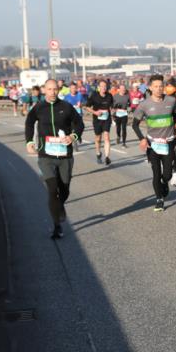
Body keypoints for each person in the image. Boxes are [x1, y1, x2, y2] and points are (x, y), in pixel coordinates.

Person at [25, 78, 83, 239]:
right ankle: (57, 225)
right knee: (52, 190)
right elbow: (29, 123)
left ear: (58, 90)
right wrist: (29, 141)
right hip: (46, 155)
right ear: (44, 90)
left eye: (55, 89)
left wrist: (73, 135)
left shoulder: (66, 107)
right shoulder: (39, 107)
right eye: (49, 89)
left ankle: (60, 205)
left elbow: (79, 124)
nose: (52, 92)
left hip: (65, 155)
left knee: (64, 189)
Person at [131, 74, 176, 211]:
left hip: (169, 142)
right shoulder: (144, 105)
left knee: (166, 174)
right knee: (156, 172)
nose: (159, 89)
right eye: (156, 86)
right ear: (150, 88)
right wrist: (142, 139)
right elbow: (135, 125)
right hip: (152, 144)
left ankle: (164, 182)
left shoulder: (171, 101)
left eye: (161, 86)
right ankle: (159, 199)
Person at [87, 79, 114, 165]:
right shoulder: (94, 95)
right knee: (98, 138)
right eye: (101, 86)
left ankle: (107, 157)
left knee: (106, 136)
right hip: (97, 119)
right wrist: (95, 112)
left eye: (105, 86)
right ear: (98, 87)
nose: (103, 88)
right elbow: (87, 107)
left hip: (107, 118)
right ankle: (98, 153)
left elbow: (111, 107)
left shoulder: (109, 96)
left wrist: (113, 113)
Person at [112, 83, 130, 147]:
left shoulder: (127, 96)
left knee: (124, 128)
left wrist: (128, 109)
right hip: (117, 114)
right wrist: (114, 109)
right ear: (118, 89)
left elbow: (130, 105)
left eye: (124, 89)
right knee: (118, 127)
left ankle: (124, 143)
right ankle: (118, 136)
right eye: (122, 89)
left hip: (124, 114)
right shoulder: (115, 96)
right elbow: (112, 106)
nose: (123, 90)